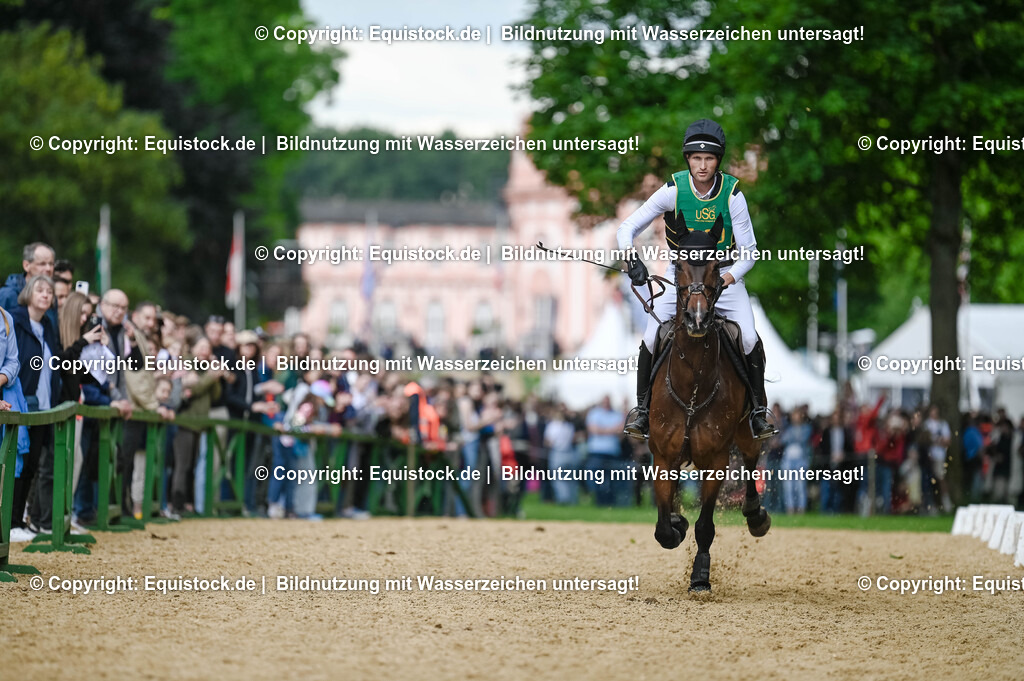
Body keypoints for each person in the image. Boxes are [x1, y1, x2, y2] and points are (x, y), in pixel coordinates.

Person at [618, 119, 776, 441]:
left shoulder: (733, 195)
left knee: (747, 337)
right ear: (687, 159)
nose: (702, 166)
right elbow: (626, 229)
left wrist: (727, 279)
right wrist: (632, 260)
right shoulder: (673, 190)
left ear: (718, 161)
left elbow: (750, 253)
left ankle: (758, 411)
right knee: (651, 337)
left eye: (709, 159)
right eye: (696, 158)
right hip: (680, 282)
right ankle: (643, 411)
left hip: (722, 281)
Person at [11, 275, 62, 533]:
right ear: (28, 293)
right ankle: (10, 523)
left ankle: (22, 521)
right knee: (18, 464)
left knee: (33, 465)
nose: (46, 295)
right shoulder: (15, 322)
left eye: (49, 293)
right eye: (40, 290)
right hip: (21, 402)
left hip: (44, 405)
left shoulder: (48, 327)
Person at [0, 243, 58, 328]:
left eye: (51, 264)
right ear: (26, 265)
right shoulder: (7, 295)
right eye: (42, 264)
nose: (48, 268)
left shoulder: (50, 296)